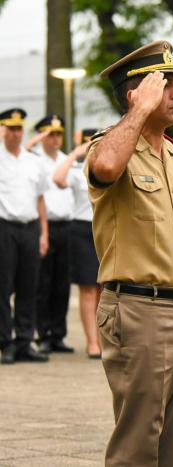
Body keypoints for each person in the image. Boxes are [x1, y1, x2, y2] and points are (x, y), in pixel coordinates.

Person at [86, 40, 173, 466]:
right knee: (137, 447)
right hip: (139, 311)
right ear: (136, 93)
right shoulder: (110, 145)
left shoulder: (172, 152)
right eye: (165, 83)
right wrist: (136, 112)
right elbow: (105, 170)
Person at [0, 108, 50, 364]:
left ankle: (24, 341)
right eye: (11, 128)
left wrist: (44, 233)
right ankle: (6, 342)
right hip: (5, 228)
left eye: (19, 129)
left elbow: (40, 199)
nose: (16, 133)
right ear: (2, 130)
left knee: (29, 287)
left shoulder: (33, 160)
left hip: (30, 228)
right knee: (3, 287)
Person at [28, 115, 76, 354]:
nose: (56, 138)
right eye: (50, 134)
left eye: (58, 134)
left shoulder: (67, 160)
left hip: (67, 226)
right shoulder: (34, 159)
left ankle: (58, 334)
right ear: (42, 136)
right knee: (43, 282)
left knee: (62, 284)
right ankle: (43, 333)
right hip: (44, 226)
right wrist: (35, 140)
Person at [52, 128, 101, 358]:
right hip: (82, 230)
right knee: (88, 289)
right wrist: (74, 154)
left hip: (105, 231)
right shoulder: (76, 170)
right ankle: (92, 342)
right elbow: (57, 179)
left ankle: (103, 339)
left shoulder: (107, 168)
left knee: (105, 289)